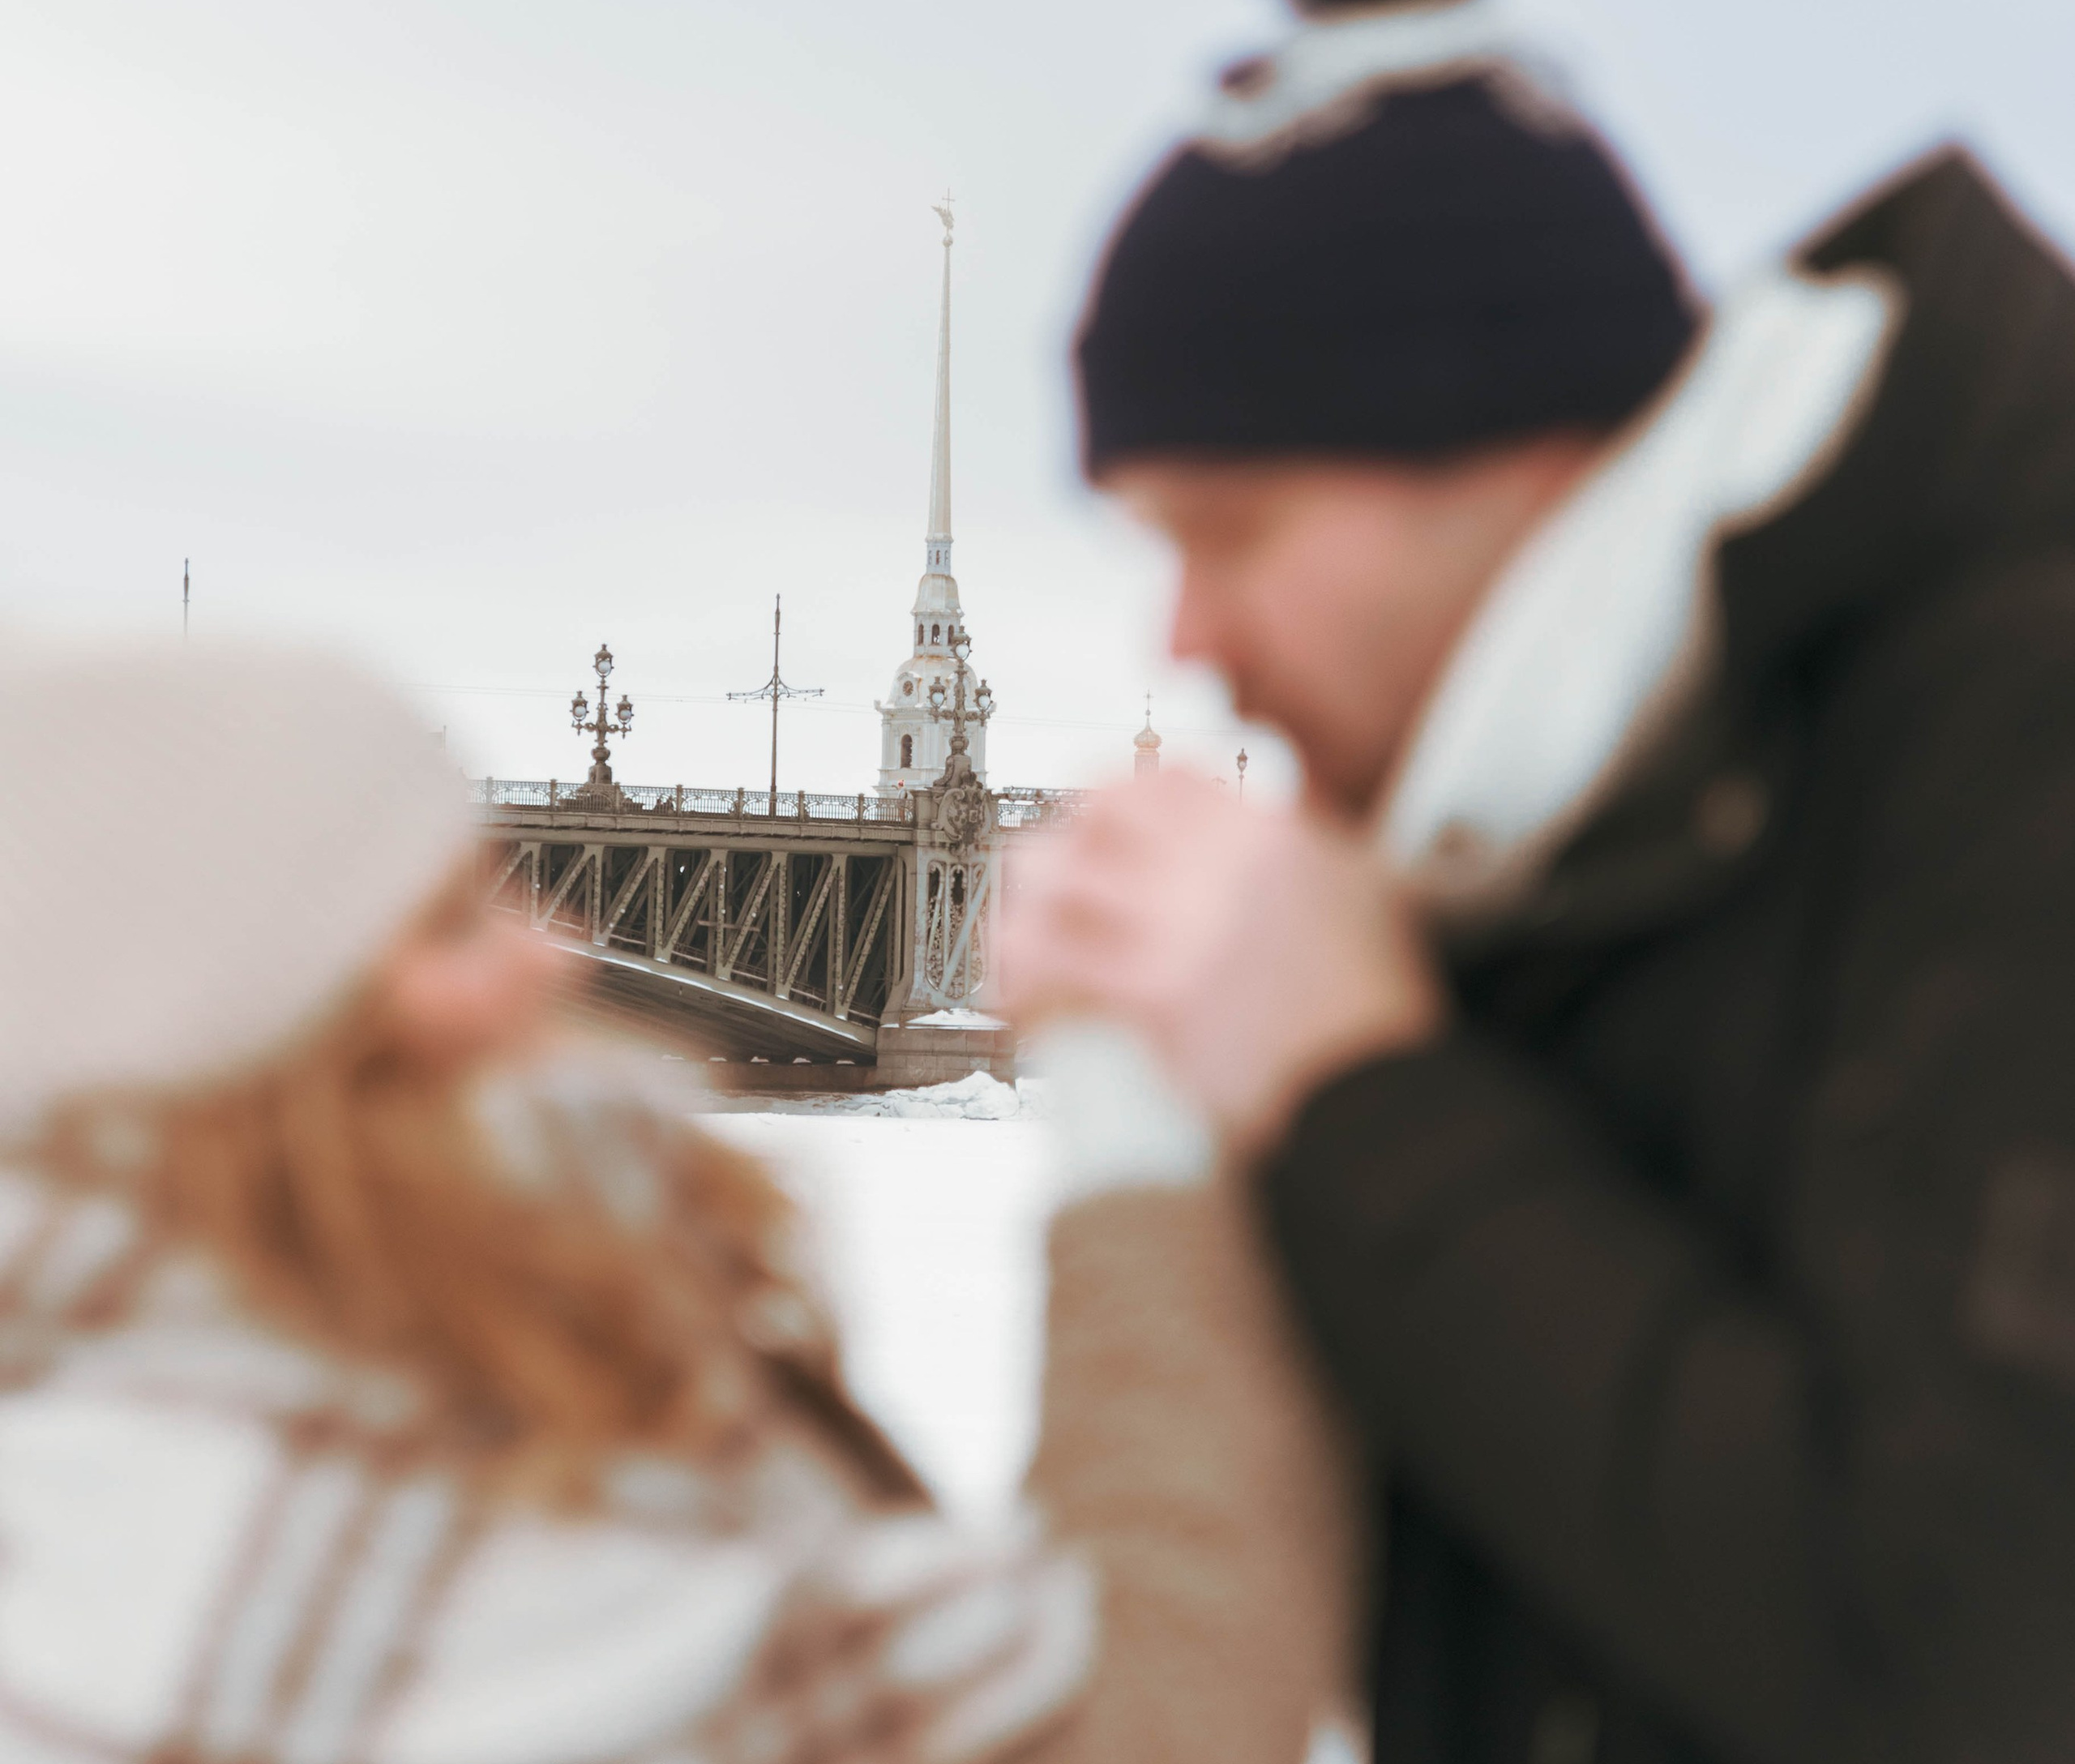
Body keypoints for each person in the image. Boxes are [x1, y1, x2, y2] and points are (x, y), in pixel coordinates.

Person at [999, 0, 2075, 1764]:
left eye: (1229, 531)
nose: (1187, 637)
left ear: (1509, 453)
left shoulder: (2012, 727)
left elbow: (1972, 1658)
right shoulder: (1590, 833)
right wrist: (1161, 1153)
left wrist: (1359, 1089)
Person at [0, 636, 1346, 1764]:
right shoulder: (400, 1534)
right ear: (245, 1020)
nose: (559, 947)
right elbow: (1146, 1717)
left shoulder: (116, 1385)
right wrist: (1121, 1093)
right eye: (454, 923)